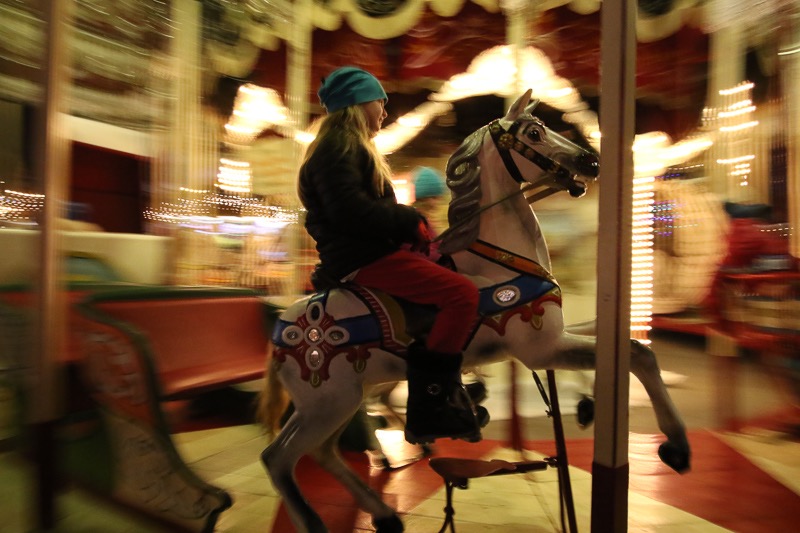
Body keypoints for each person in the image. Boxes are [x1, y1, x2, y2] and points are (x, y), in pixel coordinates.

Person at [298, 66, 487, 444]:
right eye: (379, 101)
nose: (384, 110)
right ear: (357, 104)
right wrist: (408, 220)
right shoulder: (339, 149)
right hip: (363, 260)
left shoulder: (346, 149)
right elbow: (350, 212)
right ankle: (430, 405)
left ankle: (442, 383)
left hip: (366, 252)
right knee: (462, 294)